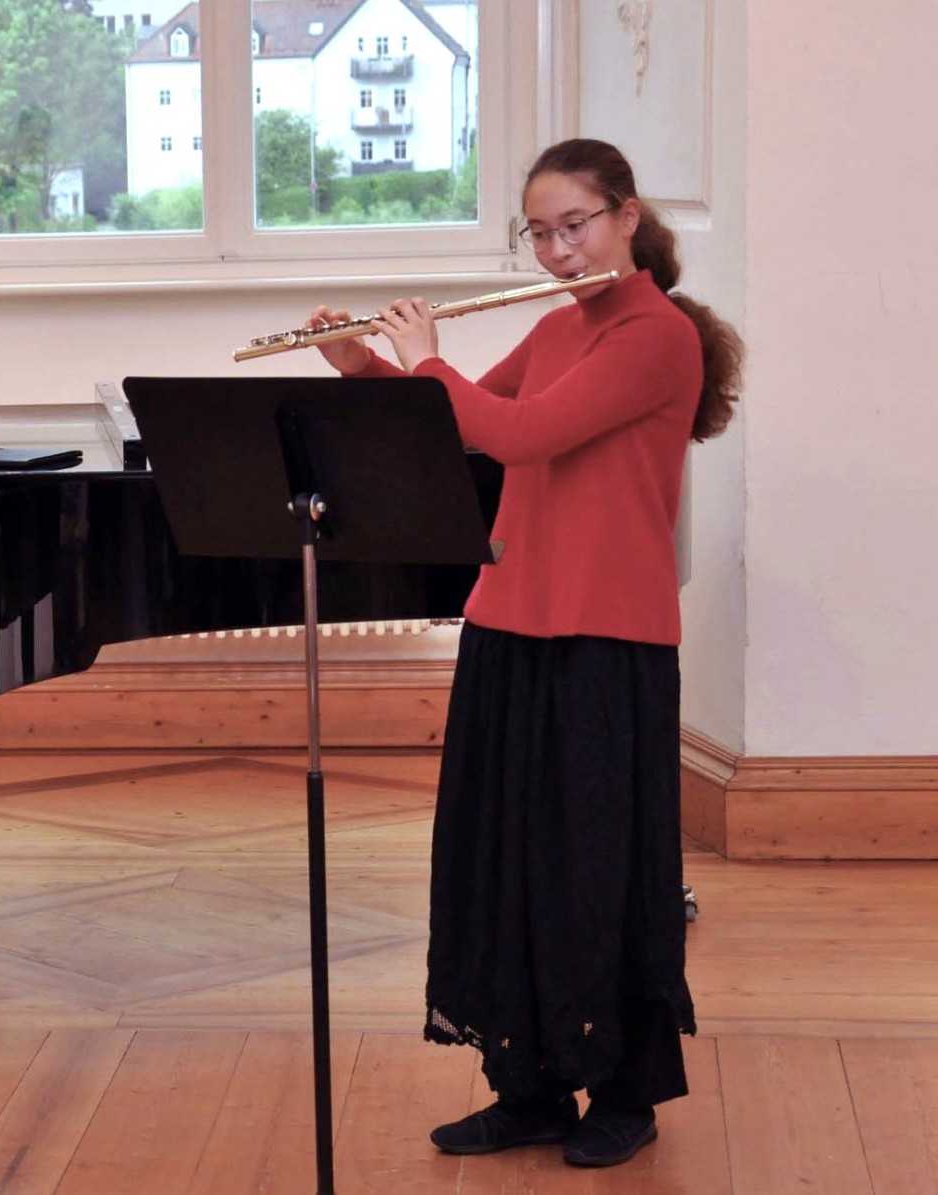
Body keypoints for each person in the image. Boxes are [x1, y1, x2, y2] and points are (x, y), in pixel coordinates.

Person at [308, 139, 742, 1168]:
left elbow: (524, 434)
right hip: (510, 616)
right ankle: (529, 1088)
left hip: (609, 632)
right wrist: (365, 367)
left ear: (626, 218)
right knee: (503, 858)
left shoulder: (658, 336)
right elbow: (454, 427)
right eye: (539, 233)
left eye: (573, 226)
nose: (556, 251)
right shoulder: (555, 327)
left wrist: (426, 356)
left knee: (598, 868)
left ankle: (625, 1096)